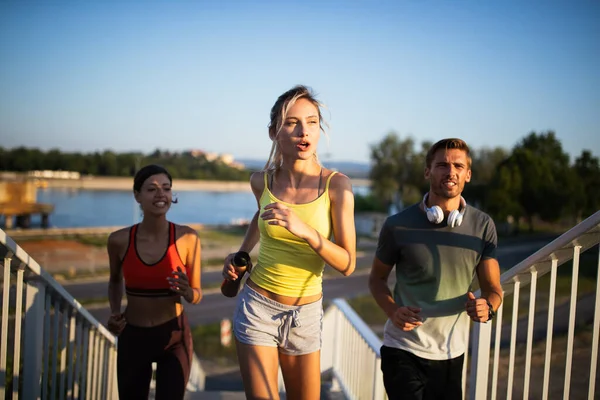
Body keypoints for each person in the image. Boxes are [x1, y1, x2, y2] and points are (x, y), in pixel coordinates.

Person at [221, 85, 356, 400]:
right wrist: (240, 254)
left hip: (304, 314)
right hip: (258, 307)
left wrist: (306, 231)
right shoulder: (261, 181)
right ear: (274, 132)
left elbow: (348, 264)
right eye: (292, 122)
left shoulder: (337, 186)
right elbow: (261, 216)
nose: (303, 130)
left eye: (311, 121)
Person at [369, 138, 503, 400]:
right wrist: (393, 310)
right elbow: (377, 279)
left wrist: (488, 308)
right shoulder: (397, 224)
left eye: (458, 165)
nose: (450, 171)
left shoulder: (483, 226)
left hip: (452, 352)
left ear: (468, 174)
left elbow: (493, 289)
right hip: (403, 348)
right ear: (428, 171)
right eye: (442, 164)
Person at [106, 164, 202, 400]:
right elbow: (115, 280)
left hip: (174, 339)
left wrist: (187, 291)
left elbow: (197, 295)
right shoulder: (118, 240)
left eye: (166, 188)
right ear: (137, 196)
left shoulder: (188, 238)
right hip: (133, 336)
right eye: (151, 189)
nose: (161, 194)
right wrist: (115, 312)